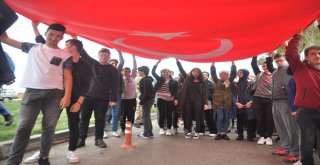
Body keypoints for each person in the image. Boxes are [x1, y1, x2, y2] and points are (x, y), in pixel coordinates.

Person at [0, 23, 73, 165]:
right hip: (32, 92)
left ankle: (43, 156)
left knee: (49, 127)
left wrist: (67, 95)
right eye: (51, 34)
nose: (54, 38)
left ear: (62, 38)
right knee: (24, 127)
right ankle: (13, 161)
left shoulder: (65, 54)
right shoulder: (32, 47)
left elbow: (68, 76)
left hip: (55, 94)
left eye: (58, 36)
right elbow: (4, 38)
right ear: (45, 33)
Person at [24, 23, 92, 163]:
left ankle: (71, 151)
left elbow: (86, 86)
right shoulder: (59, 56)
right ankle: (42, 152)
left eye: (67, 45)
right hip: (56, 96)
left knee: (74, 124)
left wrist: (79, 102)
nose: (62, 45)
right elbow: (42, 44)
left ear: (75, 48)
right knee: (49, 125)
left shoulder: (86, 65)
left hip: (74, 99)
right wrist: (34, 27)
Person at [285, 29, 320, 165]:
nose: (317, 56)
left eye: (319, 53)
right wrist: (297, 36)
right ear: (306, 57)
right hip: (306, 113)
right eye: (313, 54)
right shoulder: (300, 68)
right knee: (307, 142)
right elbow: (290, 54)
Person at [77, 48, 119, 148]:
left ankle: (98, 139)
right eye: (102, 55)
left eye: (106, 55)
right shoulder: (93, 63)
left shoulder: (113, 70)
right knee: (84, 119)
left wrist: (113, 99)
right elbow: (83, 53)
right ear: (98, 56)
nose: (104, 57)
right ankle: (81, 139)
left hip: (103, 99)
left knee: (100, 119)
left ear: (109, 57)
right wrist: (76, 39)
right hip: (88, 97)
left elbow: (115, 85)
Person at [266, 53, 300, 163]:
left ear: (286, 60)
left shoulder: (290, 68)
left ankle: (295, 152)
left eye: (281, 60)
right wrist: (269, 56)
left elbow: (293, 56)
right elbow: (270, 66)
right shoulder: (275, 71)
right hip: (275, 101)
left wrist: (287, 46)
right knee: (280, 127)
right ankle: (286, 148)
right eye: (277, 61)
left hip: (287, 100)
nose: (279, 62)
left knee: (291, 128)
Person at [176, 67, 208, 139]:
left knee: (198, 117)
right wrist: (178, 61)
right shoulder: (187, 79)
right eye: (194, 71)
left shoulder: (203, 82)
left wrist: (205, 103)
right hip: (188, 100)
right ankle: (189, 132)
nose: (195, 73)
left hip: (198, 100)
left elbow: (205, 94)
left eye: (197, 72)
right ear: (191, 72)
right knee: (188, 116)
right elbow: (182, 70)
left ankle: (197, 132)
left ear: (199, 73)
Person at [251, 56, 273, 145]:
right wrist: (255, 54)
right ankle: (262, 136)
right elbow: (253, 64)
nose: (265, 67)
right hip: (258, 98)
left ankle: (269, 137)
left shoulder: (274, 74)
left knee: (269, 119)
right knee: (260, 118)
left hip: (270, 99)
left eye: (267, 65)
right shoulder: (259, 74)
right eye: (264, 66)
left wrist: (269, 56)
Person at [152, 60, 179, 136]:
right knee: (161, 114)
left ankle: (169, 129)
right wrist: (157, 63)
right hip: (160, 98)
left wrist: (176, 99)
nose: (165, 73)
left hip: (170, 99)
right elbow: (153, 72)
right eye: (164, 72)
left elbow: (176, 91)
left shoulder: (174, 81)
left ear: (170, 73)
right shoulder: (159, 79)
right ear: (161, 73)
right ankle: (161, 128)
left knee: (169, 114)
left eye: (167, 72)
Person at [211, 61, 236, 140]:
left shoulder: (229, 81)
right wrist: (212, 65)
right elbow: (213, 74)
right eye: (221, 74)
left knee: (226, 119)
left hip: (227, 103)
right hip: (218, 103)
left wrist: (233, 64)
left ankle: (224, 133)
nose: (223, 75)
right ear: (219, 75)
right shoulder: (216, 81)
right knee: (220, 118)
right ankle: (218, 133)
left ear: (227, 75)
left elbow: (233, 74)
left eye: (225, 74)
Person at [232, 69, 256, 141]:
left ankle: (250, 135)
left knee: (249, 120)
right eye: (238, 72)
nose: (239, 73)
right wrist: (236, 102)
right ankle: (240, 134)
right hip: (239, 105)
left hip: (248, 105)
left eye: (241, 72)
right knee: (239, 120)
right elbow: (233, 94)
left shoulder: (251, 83)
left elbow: (254, 93)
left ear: (245, 73)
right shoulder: (235, 83)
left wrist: (251, 102)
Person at [104, 52, 124, 138]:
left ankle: (114, 130)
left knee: (115, 114)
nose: (114, 64)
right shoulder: (104, 71)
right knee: (103, 113)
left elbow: (122, 62)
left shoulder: (117, 72)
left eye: (115, 63)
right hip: (106, 95)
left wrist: (119, 52)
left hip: (117, 95)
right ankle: (102, 131)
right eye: (112, 63)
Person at [120, 55, 137, 134]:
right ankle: (123, 129)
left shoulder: (132, 77)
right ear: (122, 72)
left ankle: (129, 128)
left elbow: (135, 67)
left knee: (131, 115)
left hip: (132, 99)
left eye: (128, 71)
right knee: (123, 115)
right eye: (125, 71)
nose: (127, 72)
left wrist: (134, 58)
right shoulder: (120, 78)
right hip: (123, 99)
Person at [137, 66, 155, 138]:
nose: (138, 72)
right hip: (148, 99)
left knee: (145, 116)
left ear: (142, 72)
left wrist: (141, 101)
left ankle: (146, 133)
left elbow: (146, 92)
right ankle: (149, 132)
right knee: (147, 116)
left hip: (147, 100)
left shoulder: (145, 80)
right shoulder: (148, 79)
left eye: (139, 71)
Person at [200, 71, 217, 137]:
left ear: (208, 76)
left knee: (209, 117)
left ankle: (213, 131)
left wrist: (213, 103)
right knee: (200, 117)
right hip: (199, 102)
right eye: (203, 75)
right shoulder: (198, 82)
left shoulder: (211, 83)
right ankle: (201, 130)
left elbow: (214, 94)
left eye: (206, 75)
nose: (204, 76)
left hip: (208, 102)